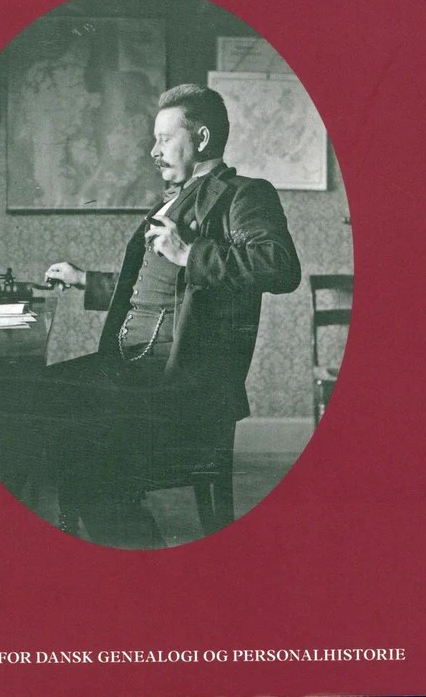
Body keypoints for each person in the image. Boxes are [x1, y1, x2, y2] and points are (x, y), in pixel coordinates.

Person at [44, 84, 301, 548]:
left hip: (180, 387)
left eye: (165, 139)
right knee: (34, 399)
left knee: (83, 448)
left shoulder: (242, 195)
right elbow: (157, 286)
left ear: (201, 138)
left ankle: (140, 557)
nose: (153, 151)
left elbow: (279, 266)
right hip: (131, 371)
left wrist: (189, 253)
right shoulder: (174, 198)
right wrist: (86, 280)